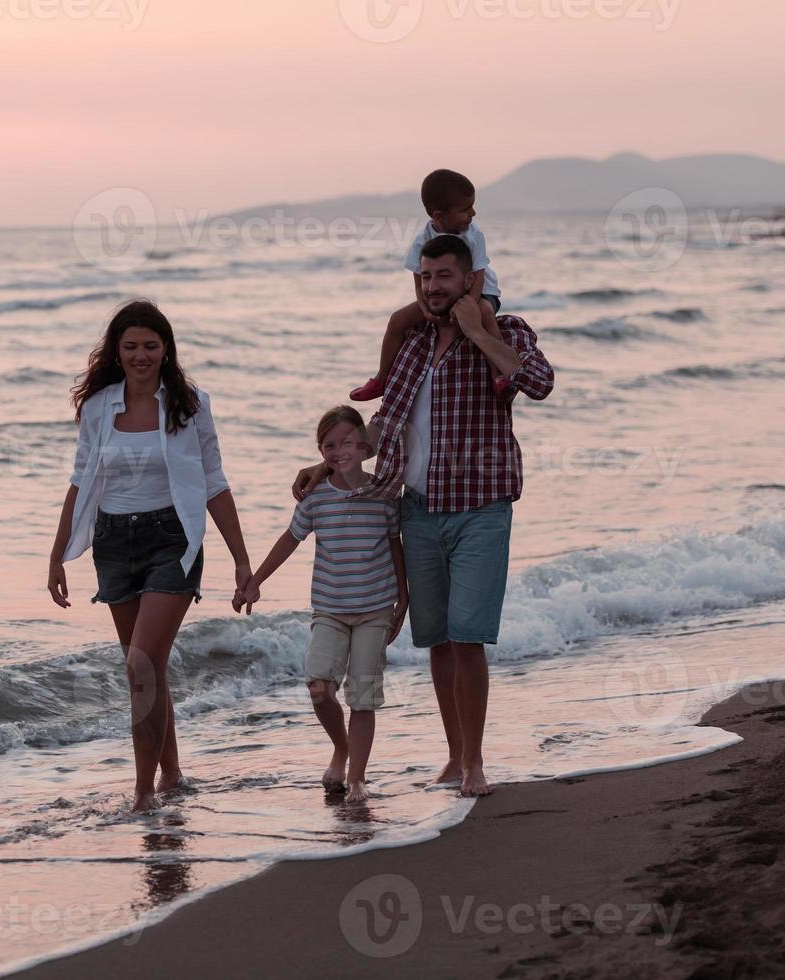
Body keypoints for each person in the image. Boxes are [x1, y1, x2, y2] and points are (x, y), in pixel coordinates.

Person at [297, 235, 553, 797]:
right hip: (416, 511)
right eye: (425, 277)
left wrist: (480, 333)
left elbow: (538, 383)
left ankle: (477, 762)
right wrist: (331, 464)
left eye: (443, 276)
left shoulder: (506, 331)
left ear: (470, 280)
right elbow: (385, 421)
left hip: (481, 510)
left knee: (467, 638)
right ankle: (455, 755)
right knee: (436, 639)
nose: (432, 286)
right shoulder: (413, 345)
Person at [48, 299, 253, 813]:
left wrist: (242, 561)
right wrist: (56, 557)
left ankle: (143, 792)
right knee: (148, 669)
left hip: (173, 539)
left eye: (151, 345)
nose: (141, 355)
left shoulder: (190, 403)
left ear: (166, 350)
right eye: (131, 346)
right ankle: (173, 777)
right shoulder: (98, 407)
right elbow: (79, 482)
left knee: (140, 663)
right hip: (114, 542)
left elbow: (214, 482)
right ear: (116, 351)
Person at [234, 406, 407, 803]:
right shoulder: (316, 499)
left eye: (347, 442)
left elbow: (395, 545)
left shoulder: (384, 493)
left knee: (363, 697)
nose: (338, 450)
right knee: (318, 687)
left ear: (365, 446)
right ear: (320, 451)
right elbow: (289, 540)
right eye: (329, 445)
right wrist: (255, 582)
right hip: (329, 608)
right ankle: (341, 748)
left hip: (375, 609)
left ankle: (358, 778)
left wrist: (405, 597)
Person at [350, 169, 502, 402]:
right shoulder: (423, 239)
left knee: (486, 313)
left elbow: (479, 275)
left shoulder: (474, 235)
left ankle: (498, 374)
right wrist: (425, 310)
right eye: (465, 209)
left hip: (479, 292)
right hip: (440, 297)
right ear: (439, 215)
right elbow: (419, 278)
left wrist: (468, 305)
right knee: (397, 320)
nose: (473, 213)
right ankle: (381, 378)